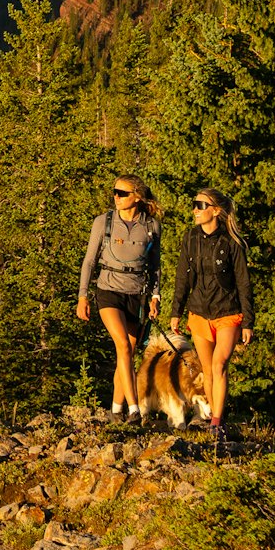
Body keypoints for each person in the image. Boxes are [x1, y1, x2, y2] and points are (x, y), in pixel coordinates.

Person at [168, 187, 254, 445]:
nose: (195, 209)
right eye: (194, 205)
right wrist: (176, 312)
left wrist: (248, 322)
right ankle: (217, 423)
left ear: (215, 211)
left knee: (219, 365)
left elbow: (244, 283)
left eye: (201, 205)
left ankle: (216, 421)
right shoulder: (191, 238)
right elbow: (182, 276)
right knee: (207, 369)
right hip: (199, 312)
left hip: (228, 312)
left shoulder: (232, 243)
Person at [76, 174, 162, 422]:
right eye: (114, 192)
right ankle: (134, 409)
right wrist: (83, 296)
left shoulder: (151, 226)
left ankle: (115, 409)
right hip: (108, 290)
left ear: (137, 196)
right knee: (123, 345)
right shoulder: (103, 222)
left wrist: (155, 296)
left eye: (122, 193)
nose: (116, 197)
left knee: (127, 353)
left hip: (136, 295)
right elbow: (89, 261)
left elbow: (155, 266)